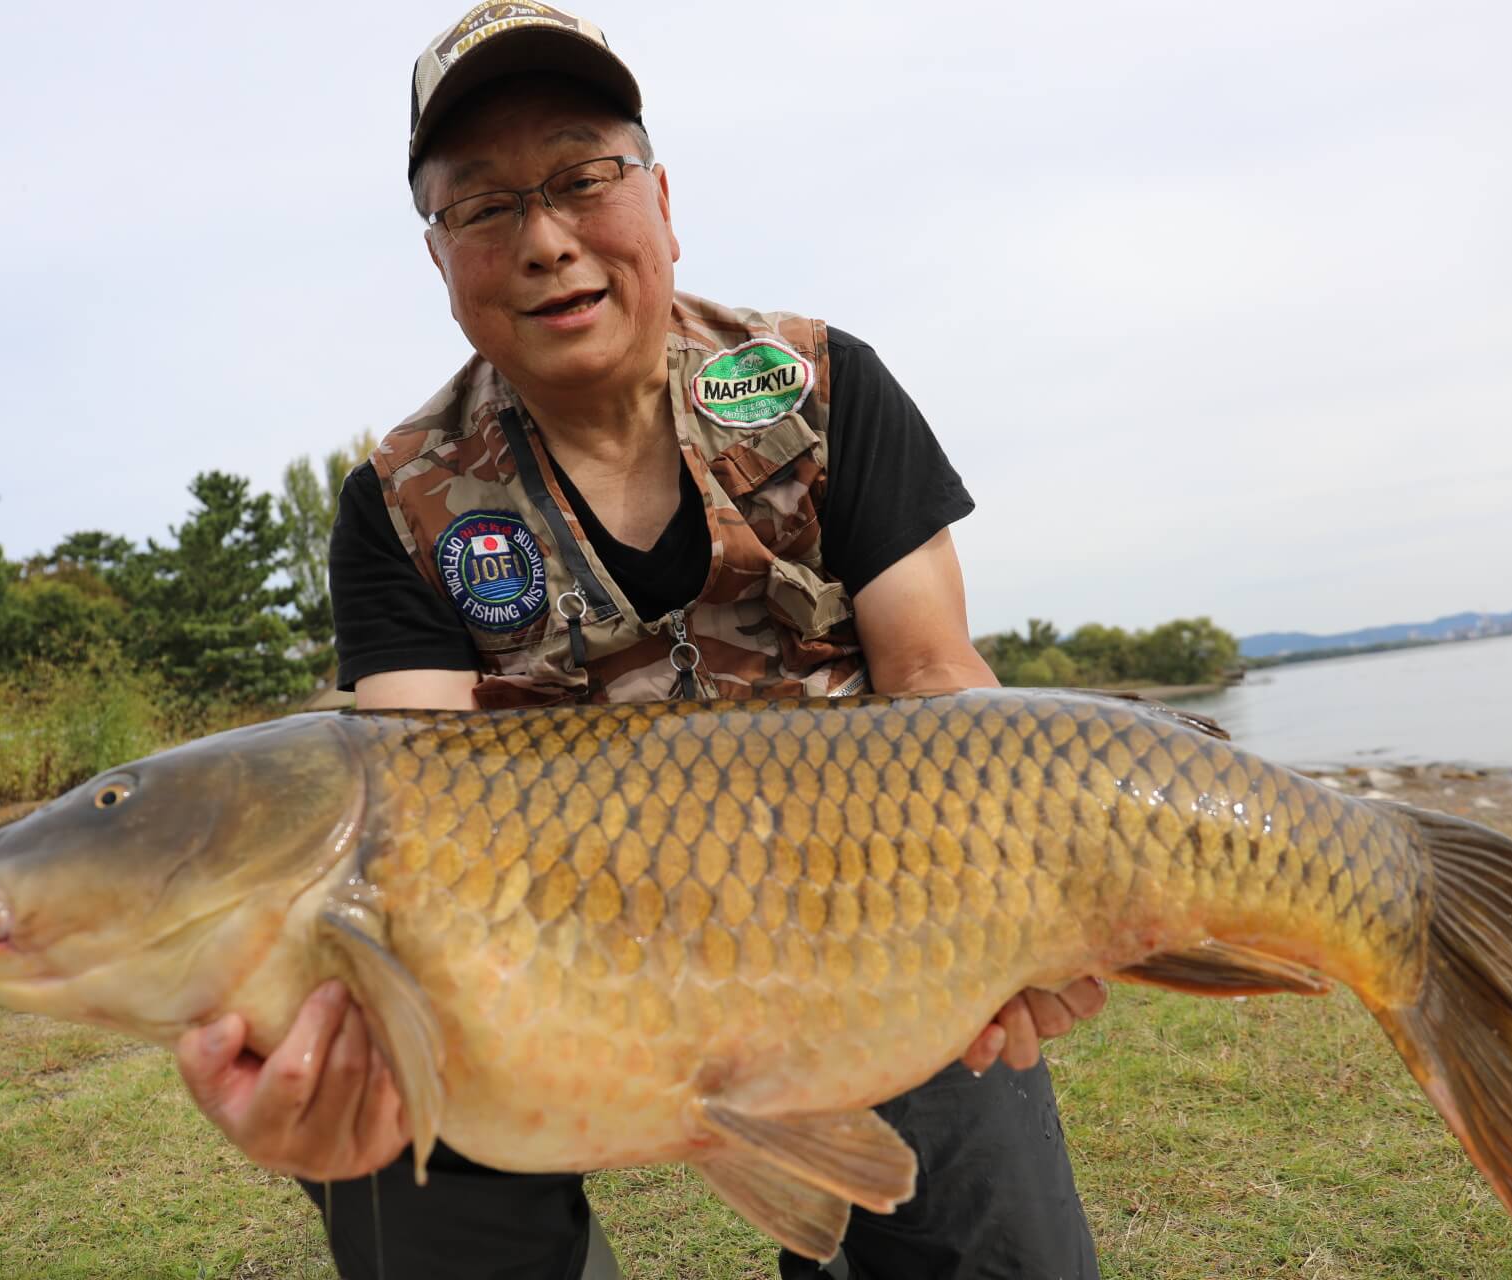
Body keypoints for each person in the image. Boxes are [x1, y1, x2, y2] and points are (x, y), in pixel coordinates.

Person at [174, 6, 1106, 1277]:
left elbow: (938, 679)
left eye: (580, 178)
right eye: (485, 206)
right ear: (439, 256)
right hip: (547, 968)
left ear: (661, 199)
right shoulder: (402, 497)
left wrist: (1009, 924)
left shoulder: (821, 389)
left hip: (858, 921)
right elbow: (403, 785)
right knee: (383, 1102)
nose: (547, 240)